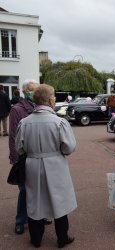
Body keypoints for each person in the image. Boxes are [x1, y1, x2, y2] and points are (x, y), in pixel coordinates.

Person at [15, 84, 77, 248]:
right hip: (55, 163)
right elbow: (69, 147)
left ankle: (36, 239)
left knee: (35, 201)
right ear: (50, 100)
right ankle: (62, 238)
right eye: (54, 97)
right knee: (60, 201)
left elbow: (19, 148)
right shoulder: (59, 122)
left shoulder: (24, 122)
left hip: (32, 164)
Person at [8, 80, 48, 235]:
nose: (34, 91)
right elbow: (13, 136)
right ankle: (20, 220)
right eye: (31, 89)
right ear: (24, 91)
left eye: (36, 89)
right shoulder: (17, 110)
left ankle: (41, 215)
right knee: (25, 190)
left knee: (41, 188)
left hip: (40, 156)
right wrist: (15, 158)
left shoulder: (40, 107)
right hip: (24, 157)